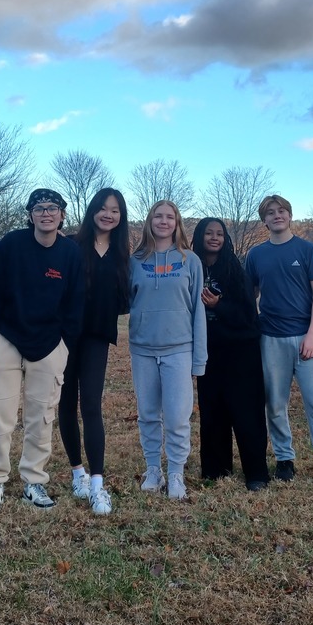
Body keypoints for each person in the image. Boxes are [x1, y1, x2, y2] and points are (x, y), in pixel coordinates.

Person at [0, 189, 84, 513]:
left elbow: (76, 300)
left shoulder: (70, 252)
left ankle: (34, 481)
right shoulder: (12, 244)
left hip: (50, 344)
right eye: (39, 208)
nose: (46, 213)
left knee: (42, 416)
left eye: (53, 208)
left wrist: (64, 343)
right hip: (6, 338)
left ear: (62, 215)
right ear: (30, 214)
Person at [244, 195, 313, 492]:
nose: (277, 215)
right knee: (274, 404)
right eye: (270, 212)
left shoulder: (307, 250)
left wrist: (312, 334)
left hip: (308, 338)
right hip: (271, 339)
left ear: (290, 215)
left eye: (281, 211)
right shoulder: (256, 255)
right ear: (264, 220)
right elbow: (249, 295)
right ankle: (285, 459)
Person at [58, 188, 130, 516]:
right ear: (92, 211)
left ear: (121, 216)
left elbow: (125, 299)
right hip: (64, 337)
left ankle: (98, 485)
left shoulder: (123, 254)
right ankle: (78, 474)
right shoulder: (71, 245)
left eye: (114, 210)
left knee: (91, 404)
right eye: (102, 208)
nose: (108, 214)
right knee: (66, 403)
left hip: (97, 337)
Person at [128, 200, 206, 500]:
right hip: (143, 349)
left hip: (179, 349)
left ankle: (176, 474)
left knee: (177, 417)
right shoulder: (135, 261)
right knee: (148, 414)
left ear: (177, 223)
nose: (163, 221)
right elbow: (124, 300)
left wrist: (199, 359)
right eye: (157, 216)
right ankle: (153, 470)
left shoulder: (190, 260)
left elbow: (198, 311)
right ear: (149, 221)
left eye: (169, 217)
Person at [191, 218, 270, 491]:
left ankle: (256, 473)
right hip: (208, 350)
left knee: (246, 411)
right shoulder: (192, 266)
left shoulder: (234, 270)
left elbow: (248, 314)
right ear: (199, 236)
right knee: (212, 411)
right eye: (209, 233)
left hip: (241, 350)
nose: (215, 238)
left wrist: (219, 305)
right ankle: (216, 469)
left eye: (220, 234)